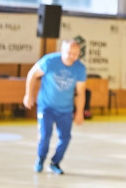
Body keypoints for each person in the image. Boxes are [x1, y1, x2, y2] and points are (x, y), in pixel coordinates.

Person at [23, 39, 87, 175]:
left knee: (65, 138)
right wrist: (29, 95)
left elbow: (81, 93)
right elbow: (32, 74)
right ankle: (41, 159)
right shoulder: (50, 61)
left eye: (76, 54)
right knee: (45, 136)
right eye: (69, 53)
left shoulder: (80, 68)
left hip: (65, 109)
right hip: (46, 107)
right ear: (62, 51)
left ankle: (55, 162)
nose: (72, 56)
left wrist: (80, 112)